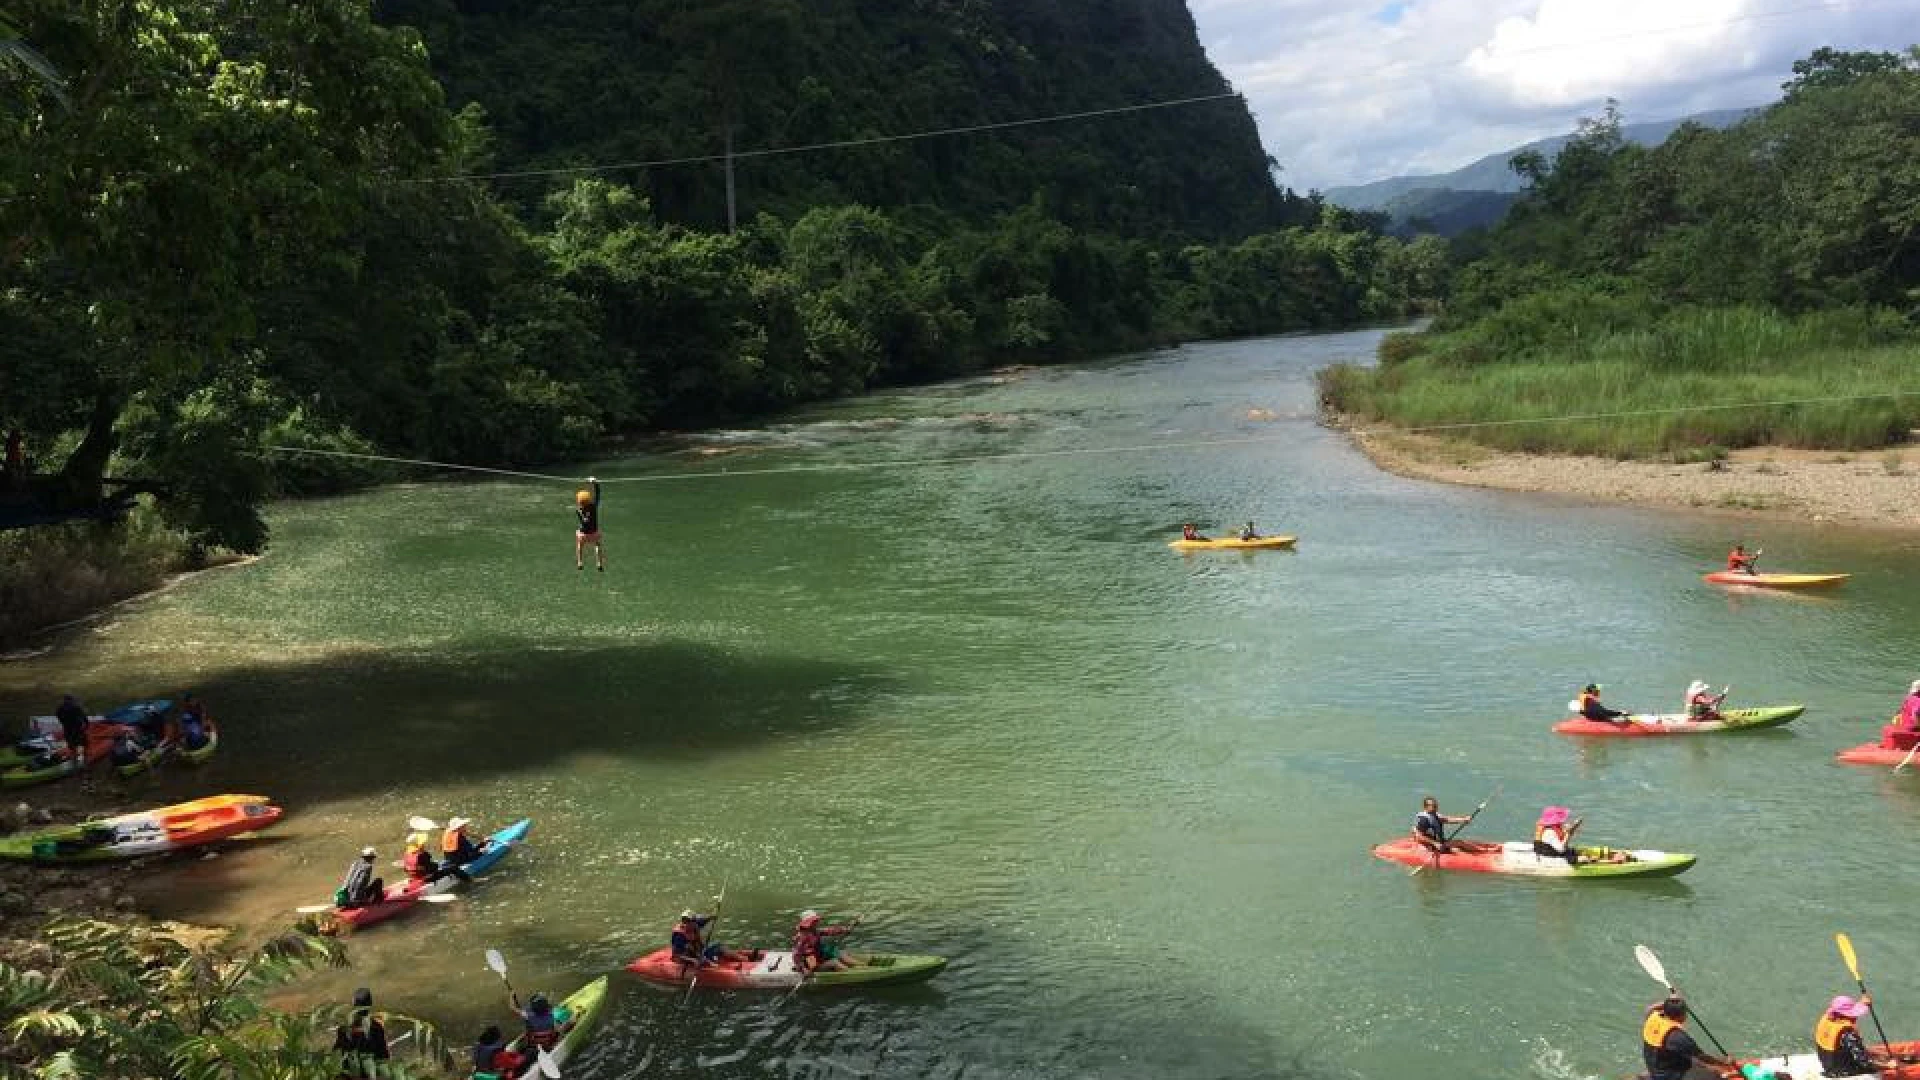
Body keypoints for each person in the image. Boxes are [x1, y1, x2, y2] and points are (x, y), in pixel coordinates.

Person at [1642, 996, 1734, 1080]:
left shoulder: (1652, 1016)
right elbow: (1702, 1057)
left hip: (1655, 1065)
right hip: (1668, 1074)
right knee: (1714, 1075)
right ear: (1681, 1016)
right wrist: (1724, 1062)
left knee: (1698, 1063)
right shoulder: (1677, 1037)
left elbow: (1650, 1008)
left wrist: (1671, 1001)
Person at [1815, 995, 1889, 1076]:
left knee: (1878, 1055)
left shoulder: (1827, 1018)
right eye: (1853, 1013)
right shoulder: (1847, 1034)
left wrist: (1862, 1004)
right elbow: (1865, 1063)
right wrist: (1888, 1066)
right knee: (1890, 1064)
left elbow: (1841, 1009)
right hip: (1842, 1071)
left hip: (1827, 1063)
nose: (1856, 1016)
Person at [334, 988, 389, 1078]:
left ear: (354, 1006)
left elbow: (337, 1055)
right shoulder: (377, 1028)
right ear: (370, 1005)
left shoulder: (344, 1029)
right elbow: (383, 1057)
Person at [671, 909, 754, 967]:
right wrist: (693, 960)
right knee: (705, 962)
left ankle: (746, 959)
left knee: (719, 946)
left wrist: (712, 917)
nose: (695, 923)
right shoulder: (679, 936)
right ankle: (715, 967)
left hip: (699, 952)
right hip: (687, 958)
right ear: (686, 922)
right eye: (693, 921)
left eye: (694, 920)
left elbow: (704, 920)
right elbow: (678, 955)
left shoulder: (694, 924)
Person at [792, 910, 858, 975]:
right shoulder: (801, 937)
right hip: (811, 964)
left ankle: (860, 967)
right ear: (808, 922)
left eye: (816, 921)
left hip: (818, 958)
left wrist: (844, 929)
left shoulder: (814, 931)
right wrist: (803, 969)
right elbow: (796, 955)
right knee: (834, 963)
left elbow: (829, 931)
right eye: (814, 921)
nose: (817, 922)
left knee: (841, 954)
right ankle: (853, 973)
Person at [575, 478, 604, 572]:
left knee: (580, 544)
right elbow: (597, 495)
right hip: (594, 533)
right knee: (597, 545)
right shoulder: (593, 507)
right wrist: (595, 483)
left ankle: (580, 562)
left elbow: (583, 519)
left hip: (583, 534)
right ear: (588, 499)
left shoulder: (578, 510)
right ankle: (599, 563)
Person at [54, 694, 88, 759]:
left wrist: (63, 722)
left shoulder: (60, 708)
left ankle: (74, 761)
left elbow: (58, 716)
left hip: (67, 729)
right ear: (71, 700)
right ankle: (86, 761)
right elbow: (83, 717)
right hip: (77, 729)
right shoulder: (76, 707)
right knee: (84, 745)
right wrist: (86, 725)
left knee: (72, 747)